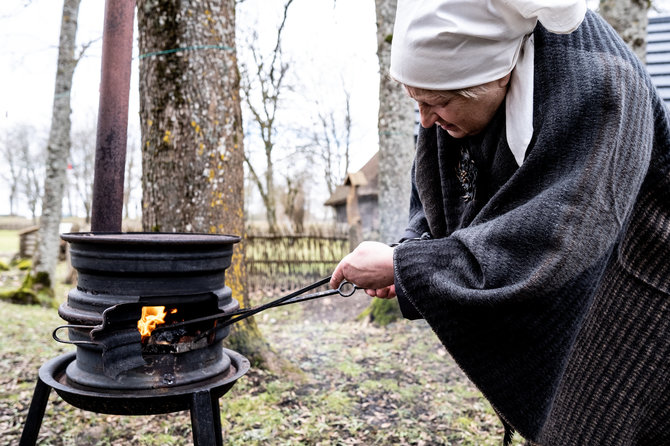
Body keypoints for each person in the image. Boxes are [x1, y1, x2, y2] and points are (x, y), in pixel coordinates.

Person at [329, 1, 670, 445]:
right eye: (417, 101)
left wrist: (405, 266)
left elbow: (553, 239)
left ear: (499, 74)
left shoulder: (603, 87)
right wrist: (409, 250)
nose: (426, 120)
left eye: (438, 103)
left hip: (632, 295)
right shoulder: (461, 86)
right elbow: (435, 195)